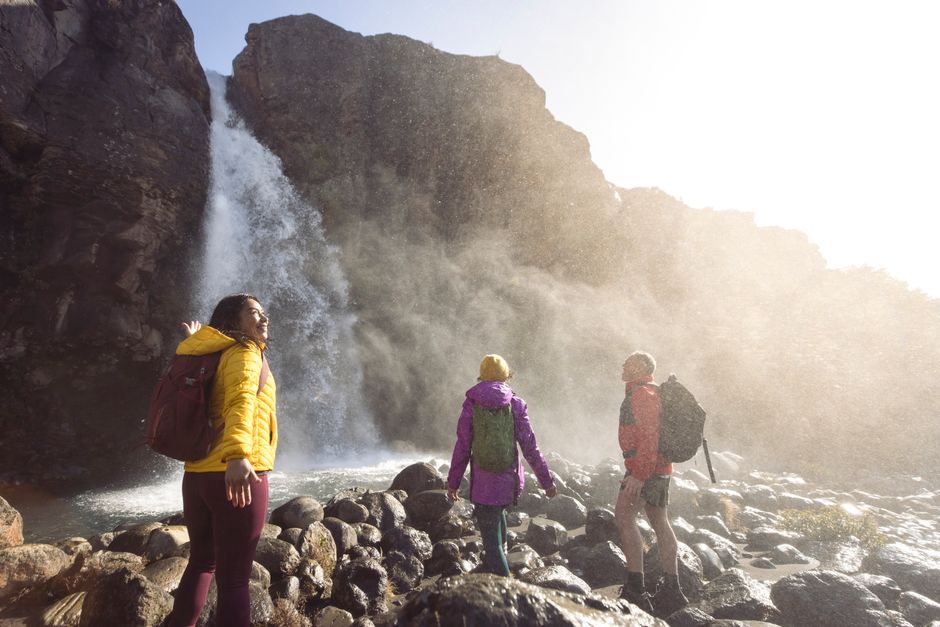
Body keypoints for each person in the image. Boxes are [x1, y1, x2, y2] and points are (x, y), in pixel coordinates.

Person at [167, 293, 277, 627]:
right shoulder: (244, 352)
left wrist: (194, 340)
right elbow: (241, 402)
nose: (264, 318)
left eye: (264, 312)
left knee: (202, 563)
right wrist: (238, 456)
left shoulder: (207, 353)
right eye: (253, 313)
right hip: (236, 474)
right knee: (234, 580)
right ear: (232, 321)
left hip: (197, 475)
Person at [446, 354, 557, 576]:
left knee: (491, 542)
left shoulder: (471, 404)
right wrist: (547, 482)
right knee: (499, 514)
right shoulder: (516, 405)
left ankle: (506, 588)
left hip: (483, 485)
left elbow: (463, 447)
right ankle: (498, 565)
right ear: (506, 377)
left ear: (481, 377)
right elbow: (530, 448)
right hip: (509, 482)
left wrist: (453, 482)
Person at [615, 350, 688, 614]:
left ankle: (636, 589)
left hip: (645, 469)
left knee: (624, 516)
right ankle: (672, 588)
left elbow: (649, 436)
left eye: (629, 361)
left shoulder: (643, 395)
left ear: (642, 367)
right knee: (659, 522)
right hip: (660, 468)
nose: (624, 364)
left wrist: (638, 474)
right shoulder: (649, 392)